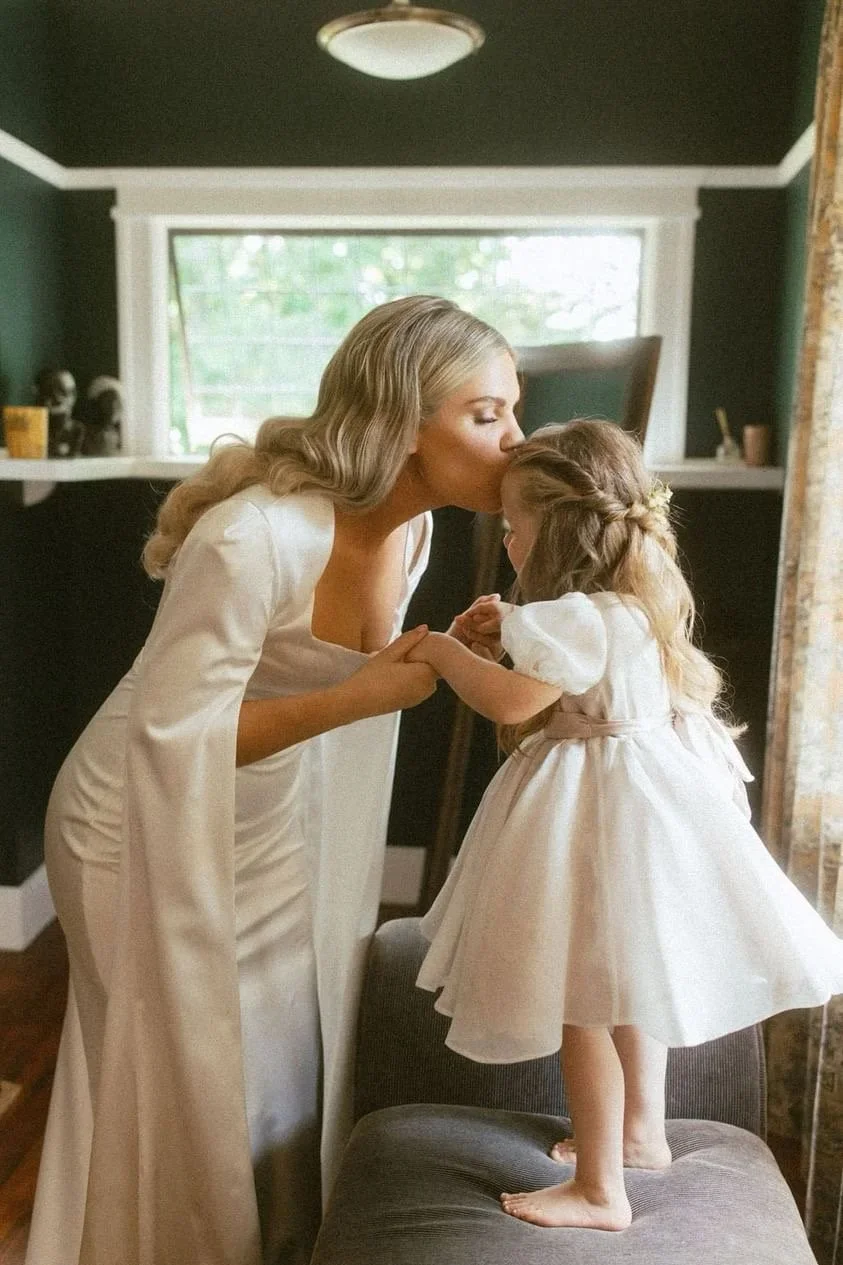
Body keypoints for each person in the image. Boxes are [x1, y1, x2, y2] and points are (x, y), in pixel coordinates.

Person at [24, 296, 523, 1265]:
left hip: (264, 817)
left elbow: (348, 677)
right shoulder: (254, 537)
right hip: (131, 822)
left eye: (512, 410)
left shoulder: (413, 534)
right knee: (174, 1077)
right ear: (403, 421)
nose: (514, 437)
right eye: (486, 412)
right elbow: (178, 733)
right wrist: (360, 695)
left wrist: (444, 654)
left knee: (274, 1070)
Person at [407, 419, 843, 1232]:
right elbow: (572, 674)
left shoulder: (576, 615)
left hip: (592, 815)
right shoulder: (632, 604)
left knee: (581, 1001)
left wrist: (440, 651)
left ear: (557, 528)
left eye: (513, 525)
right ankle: (642, 1131)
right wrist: (510, 631)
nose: (507, 542)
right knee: (628, 981)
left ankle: (599, 1189)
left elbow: (512, 702)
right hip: (644, 810)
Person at [34, 367, 84, 457]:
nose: (58, 399)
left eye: (70, 392)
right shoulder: (29, 431)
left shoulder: (78, 431)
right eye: (50, 391)